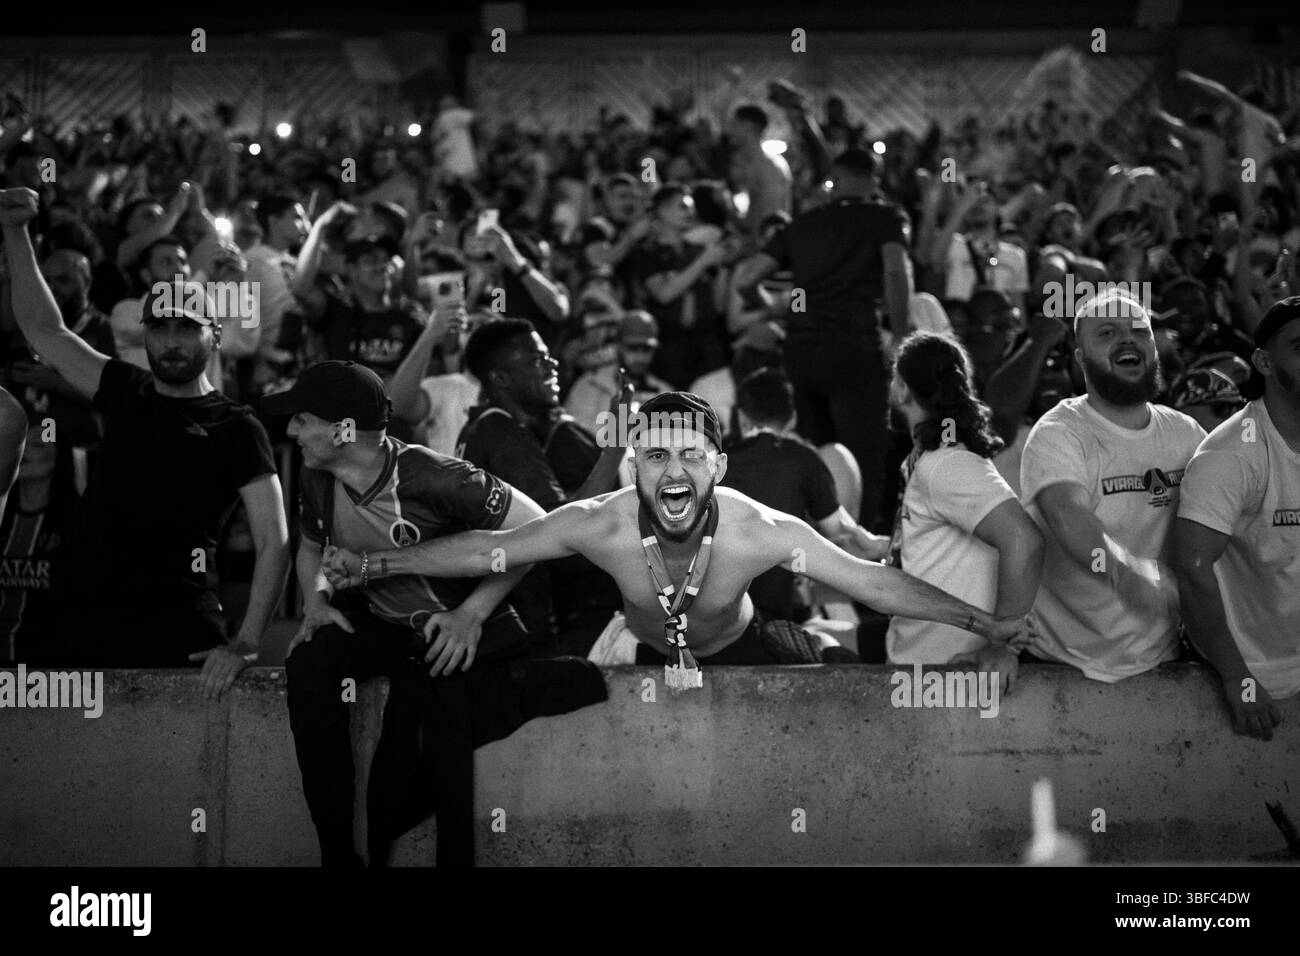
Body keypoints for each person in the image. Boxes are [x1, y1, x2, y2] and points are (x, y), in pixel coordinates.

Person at [324, 392, 1033, 687]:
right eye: (655, 456)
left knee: (837, 685)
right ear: (635, 467)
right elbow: (489, 550)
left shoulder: (758, 527)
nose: (673, 471)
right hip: (636, 646)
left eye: (691, 456)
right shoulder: (600, 521)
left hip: (745, 644)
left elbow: (873, 583)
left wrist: (986, 624)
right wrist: (374, 563)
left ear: (718, 467)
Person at [266, 360, 603, 866]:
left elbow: (543, 530)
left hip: (447, 626)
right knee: (310, 662)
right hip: (381, 621)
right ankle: (336, 853)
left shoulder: (433, 476)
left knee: (438, 724)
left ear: (342, 429)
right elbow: (311, 545)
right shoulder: (320, 473)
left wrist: (473, 612)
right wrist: (314, 605)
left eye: (302, 419)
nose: (291, 430)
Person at [0, 186, 289, 690]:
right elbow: (46, 331)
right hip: (84, 615)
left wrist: (246, 641)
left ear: (214, 335)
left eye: (186, 328)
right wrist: (15, 231)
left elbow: (274, 541)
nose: (172, 341)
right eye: (160, 329)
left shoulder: (236, 426)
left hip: (178, 624)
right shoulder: (124, 389)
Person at [1019, 291, 1206, 682]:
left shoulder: (1185, 433)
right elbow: (1068, 515)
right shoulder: (1059, 432)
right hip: (1061, 664)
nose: (1127, 339)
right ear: (1080, 359)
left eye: (1140, 330)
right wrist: (1125, 574)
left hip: (1163, 660)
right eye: (1106, 333)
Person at [733, 148, 913, 530]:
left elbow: (746, 279)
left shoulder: (801, 224)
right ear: (874, 179)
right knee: (863, 460)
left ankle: (809, 554)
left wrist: (771, 306)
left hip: (801, 353)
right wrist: (899, 333)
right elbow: (896, 272)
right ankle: (862, 557)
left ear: (835, 180)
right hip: (853, 350)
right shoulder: (883, 217)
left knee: (812, 453)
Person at [885, 333, 1045, 693]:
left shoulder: (946, 463)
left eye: (894, 378)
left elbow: (1025, 542)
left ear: (904, 390)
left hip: (945, 675)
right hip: (915, 662)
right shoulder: (925, 460)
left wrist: (1002, 646)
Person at [456, 318, 628, 653]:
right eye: (537, 360)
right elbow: (559, 531)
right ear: (501, 378)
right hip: (518, 625)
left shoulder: (479, 427)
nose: (552, 365)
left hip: (502, 614)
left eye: (549, 356)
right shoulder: (504, 435)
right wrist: (616, 446)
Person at [1172, 296, 1300, 741]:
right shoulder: (1233, 453)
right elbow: (1191, 569)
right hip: (1259, 674)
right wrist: (1236, 678)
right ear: (1263, 361)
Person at [722, 368, 887, 625]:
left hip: (717, 617)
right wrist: (873, 542)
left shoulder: (715, 463)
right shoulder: (804, 460)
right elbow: (839, 531)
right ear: (792, 419)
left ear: (742, 417)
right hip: (779, 621)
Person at [564, 311, 671, 434]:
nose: (640, 357)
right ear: (618, 345)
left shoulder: (664, 393)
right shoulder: (589, 385)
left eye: (646, 349)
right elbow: (575, 439)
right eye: (633, 348)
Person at [726, 104, 792, 239]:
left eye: (734, 124)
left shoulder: (770, 167)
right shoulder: (749, 164)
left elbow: (767, 220)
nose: (729, 131)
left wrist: (724, 204)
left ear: (748, 126)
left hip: (766, 246)